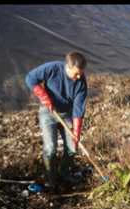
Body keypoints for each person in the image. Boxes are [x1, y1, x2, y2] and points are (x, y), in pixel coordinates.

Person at [24, 52, 88, 190]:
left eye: (81, 73)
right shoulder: (52, 68)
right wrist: (44, 97)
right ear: (67, 67)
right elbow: (30, 78)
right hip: (48, 112)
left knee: (72, 147)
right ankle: (51, 179)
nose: (79, 77)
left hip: (67, 113)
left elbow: (78, 108)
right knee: (50, 148)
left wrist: (76, 132)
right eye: (76, 73)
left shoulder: (81, 81)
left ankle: (65, 174)